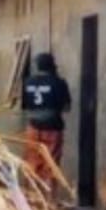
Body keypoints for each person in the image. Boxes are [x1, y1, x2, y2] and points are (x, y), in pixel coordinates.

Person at [20, 53, 71, 188]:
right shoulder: (59, 82)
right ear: (52, 66)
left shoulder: (27, 82)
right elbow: (66, 107)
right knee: (50, 165)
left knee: (32, 162)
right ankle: (48, 203)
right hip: (52, 127)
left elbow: (24, 106)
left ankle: (31, 199)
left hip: (33, 127)